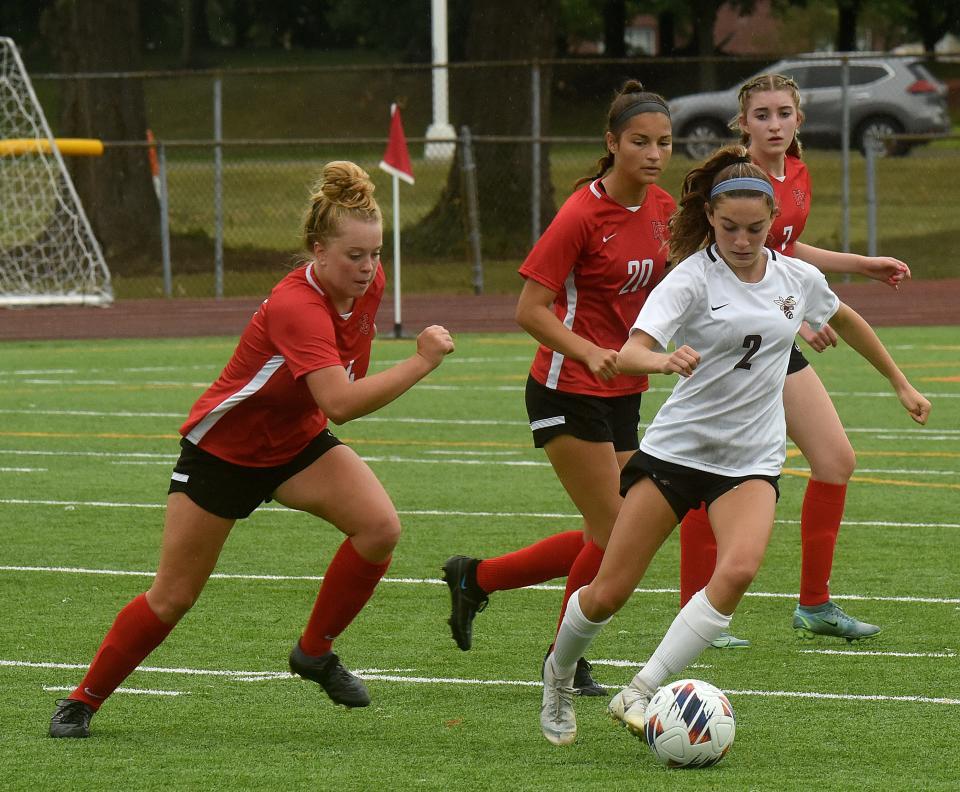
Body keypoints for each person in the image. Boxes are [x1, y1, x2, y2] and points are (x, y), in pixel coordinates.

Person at [539, 146, 930, 746]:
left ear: (772, 221)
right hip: (675, 453)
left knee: (740, 568)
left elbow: (845, 319)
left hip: (749, 460)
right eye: (729, 229)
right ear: (712, 221)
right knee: (608, 593)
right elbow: (633, 350)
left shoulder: (796, 277)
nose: (742, 240)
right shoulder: (692, 277)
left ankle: (640, 690)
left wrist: (899, 382)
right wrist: (663, 360)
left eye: (754, 228)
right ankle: (559, 675)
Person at [48, 161, 455, 738]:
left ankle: (314, 652)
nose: (368, 268)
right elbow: (340, 401)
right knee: (173, 597)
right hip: (223, 453)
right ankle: (81, 699)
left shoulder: (370, 286)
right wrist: (421, 361)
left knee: (380, 527)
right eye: (354, 256)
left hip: (293, 443)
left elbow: (330, 394)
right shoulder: (297, 304)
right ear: (317, 251)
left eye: (376, 254)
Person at [441, 81, 676, 695]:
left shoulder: (662, 210)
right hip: (565, 387)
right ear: (612, 143)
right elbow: (530, 308)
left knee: (618, 528)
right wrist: (590, 350)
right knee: (616, 527)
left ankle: (477, 578)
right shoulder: (580, 213)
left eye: (664, 143)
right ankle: (561, 662)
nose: (654, 154)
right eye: (640, 142)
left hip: (621, 390)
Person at [678, 73, 914, 648]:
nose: (774, 125)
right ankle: (694, 610)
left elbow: (785, 249)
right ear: (743, 123)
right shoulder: (737, 180)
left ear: (800, 119)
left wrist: (859, 264)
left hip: (772, 342)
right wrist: (796, 316)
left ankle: (814, 604)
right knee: (703, 470)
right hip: (731, 344)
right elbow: (719, 258)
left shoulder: (797, 175)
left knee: (835, 461)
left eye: (784, 113)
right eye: (762, 115)